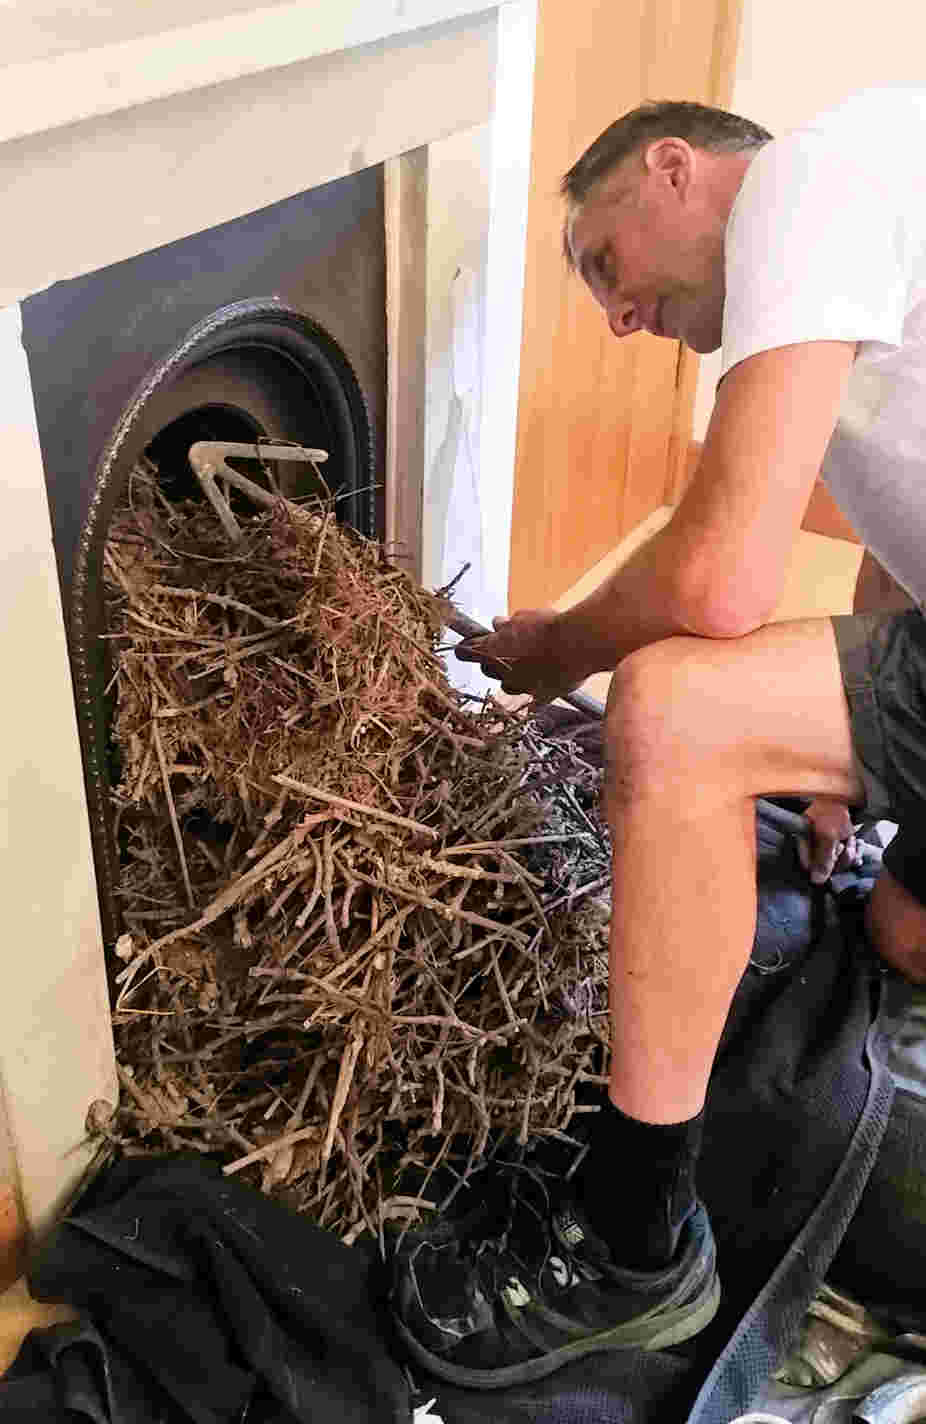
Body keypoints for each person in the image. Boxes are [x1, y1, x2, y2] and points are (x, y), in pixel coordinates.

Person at [392, 88, 926, 1389]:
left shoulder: (813, 174)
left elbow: (715, 587)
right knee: (902, 932)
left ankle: (630, 1244)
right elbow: (895, 538)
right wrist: (840, 764)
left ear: (676, 170)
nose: (623, 316)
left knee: (672, 706)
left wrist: (556, 648)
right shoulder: (874, 221)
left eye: (603, 266)